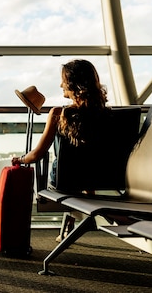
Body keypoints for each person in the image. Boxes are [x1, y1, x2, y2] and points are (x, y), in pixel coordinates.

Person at [11, 59, 110, 240]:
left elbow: (37, 154)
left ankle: (69, 227)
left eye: (63, 80)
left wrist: (21, 159)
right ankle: (73, 223)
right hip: (102, 179)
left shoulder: (59, 114)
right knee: (86, 167)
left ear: (74, 84)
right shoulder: (109, 115)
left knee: (70, 174)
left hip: (64, 182)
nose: (60, 84)